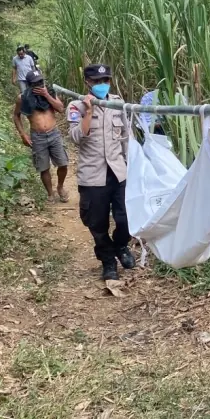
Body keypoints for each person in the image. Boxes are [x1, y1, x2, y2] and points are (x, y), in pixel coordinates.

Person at [67, 64, 136, 281]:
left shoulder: (118, 103)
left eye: (105, 80)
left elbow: (127, 137)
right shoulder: (76, 105)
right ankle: (107, 261)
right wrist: (89, 111)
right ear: (87, 82)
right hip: (93, 174)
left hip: (118, 171)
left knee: (126, 218)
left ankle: (121, 246)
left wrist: (132, 166)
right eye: (96, 81)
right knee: (96, 223)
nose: (101, 85)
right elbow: (77, 137)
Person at [13, 69, 70, 203]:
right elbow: (16, 116)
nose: (39, 85)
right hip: (37, 136)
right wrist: (23, 134)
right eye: (35, 83)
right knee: (43, 167)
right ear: (29, 84)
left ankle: (60, 187)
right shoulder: (23, 98)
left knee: (63, 163)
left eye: (40, 82)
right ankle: (50, 194)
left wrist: (47, 95)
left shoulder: (49, 93)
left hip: (54, 134)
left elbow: (61, 109)